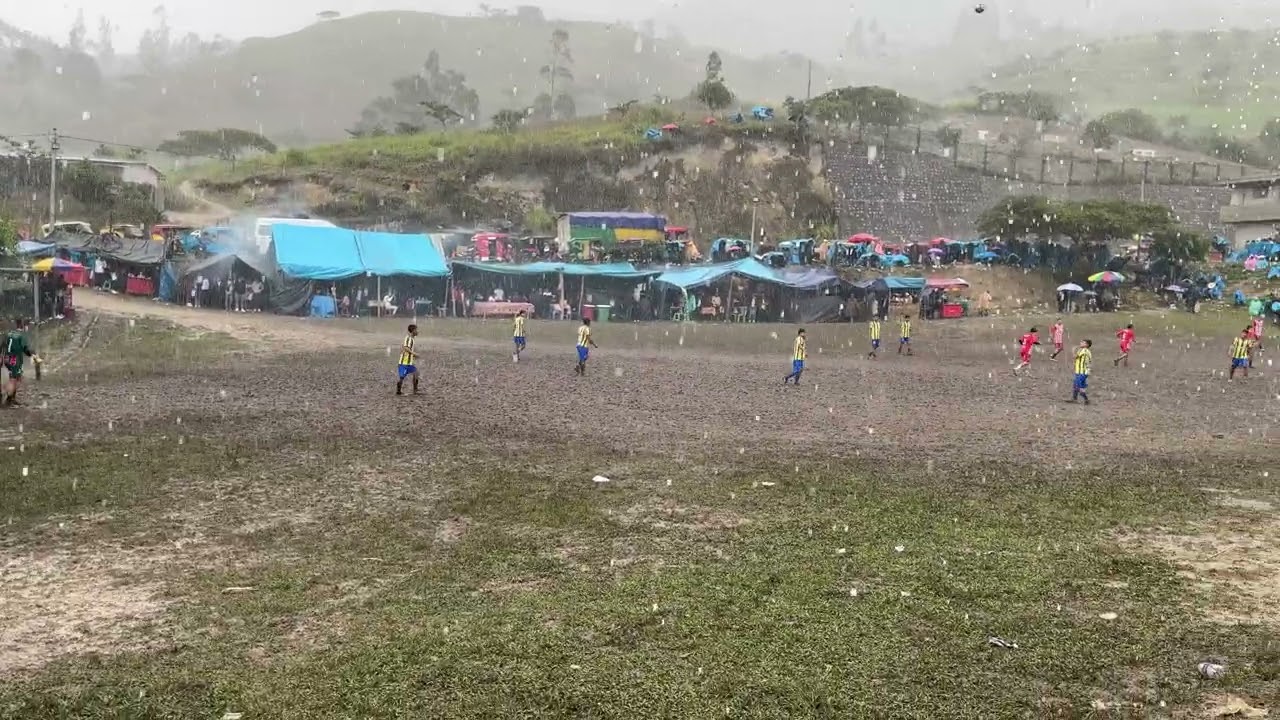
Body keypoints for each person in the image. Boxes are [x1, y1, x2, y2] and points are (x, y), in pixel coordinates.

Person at [2, 318, 42, 407]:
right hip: (15, 359)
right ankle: (7, 399)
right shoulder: (20, 336)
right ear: (23, 326)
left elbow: (3, 345)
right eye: (27, 326)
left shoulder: (9, 334)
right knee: (14, 380)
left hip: (8, 358)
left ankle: (12, 398)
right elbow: (25, 349)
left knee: (18, 378)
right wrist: (33, 355)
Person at [395, 324, 420, 396]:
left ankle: (415, 390)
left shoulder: (412, 339)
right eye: (416, 330)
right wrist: (414, 353)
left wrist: (413, 356)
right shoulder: (408, 338)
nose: (417, 331)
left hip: (409, 363)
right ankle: (398, 390)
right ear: (413, 331)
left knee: (416, 373)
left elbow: (405, 348)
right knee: (401, 377)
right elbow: (405, 347)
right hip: (404, 362)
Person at [1070, 339, 1092, 405]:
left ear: (1087, 345)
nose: (1081, 343)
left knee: (1077, 386)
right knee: (1078, 385)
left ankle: (1085, 399)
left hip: (1082, 372)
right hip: (1081, 371)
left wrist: (1073, 351)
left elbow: (1075, 357)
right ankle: (1077, 399)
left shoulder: (1084, 350)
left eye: (1083, 342)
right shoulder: (1084, 351)